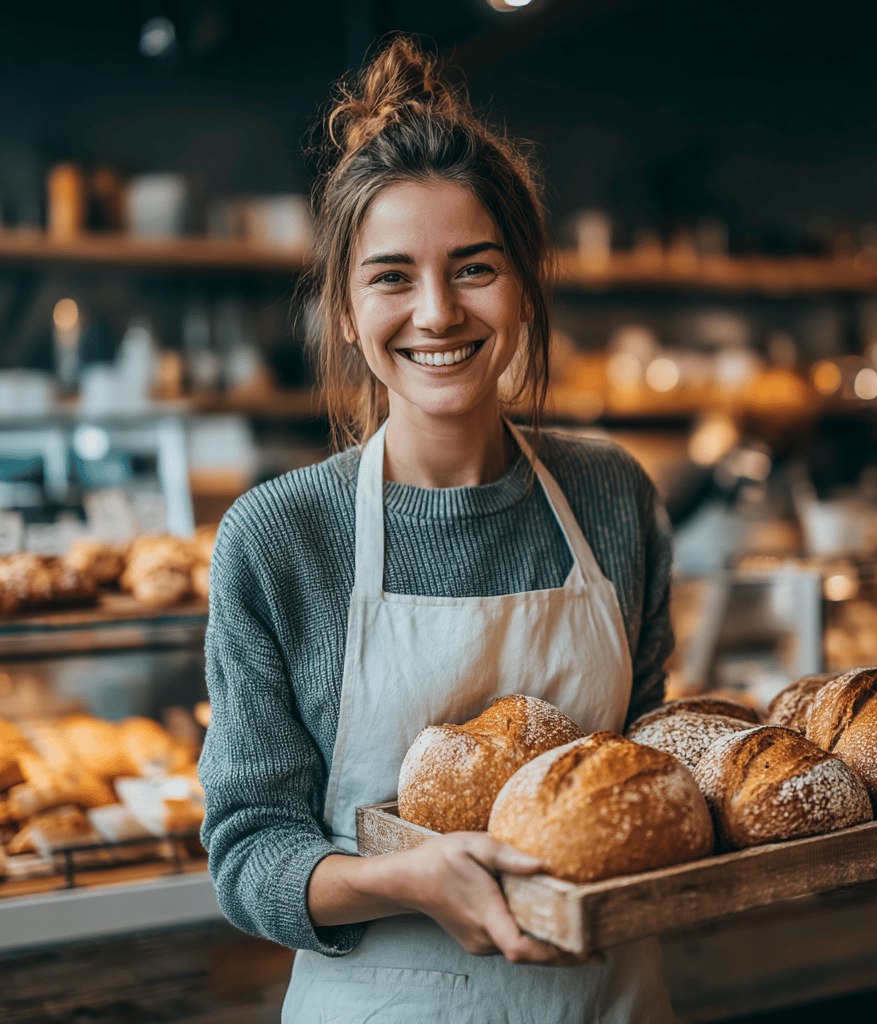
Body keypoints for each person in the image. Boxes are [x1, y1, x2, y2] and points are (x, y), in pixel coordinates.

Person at [199, 36, 676, 1023]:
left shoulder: (612, 498)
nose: (436, 312)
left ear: (524, 284)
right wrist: (408, 877)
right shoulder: (280, 537)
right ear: (341, 308)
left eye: (473, 268)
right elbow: (249, 852)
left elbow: (647, 771)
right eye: (390, 277)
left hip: (608, 1002)